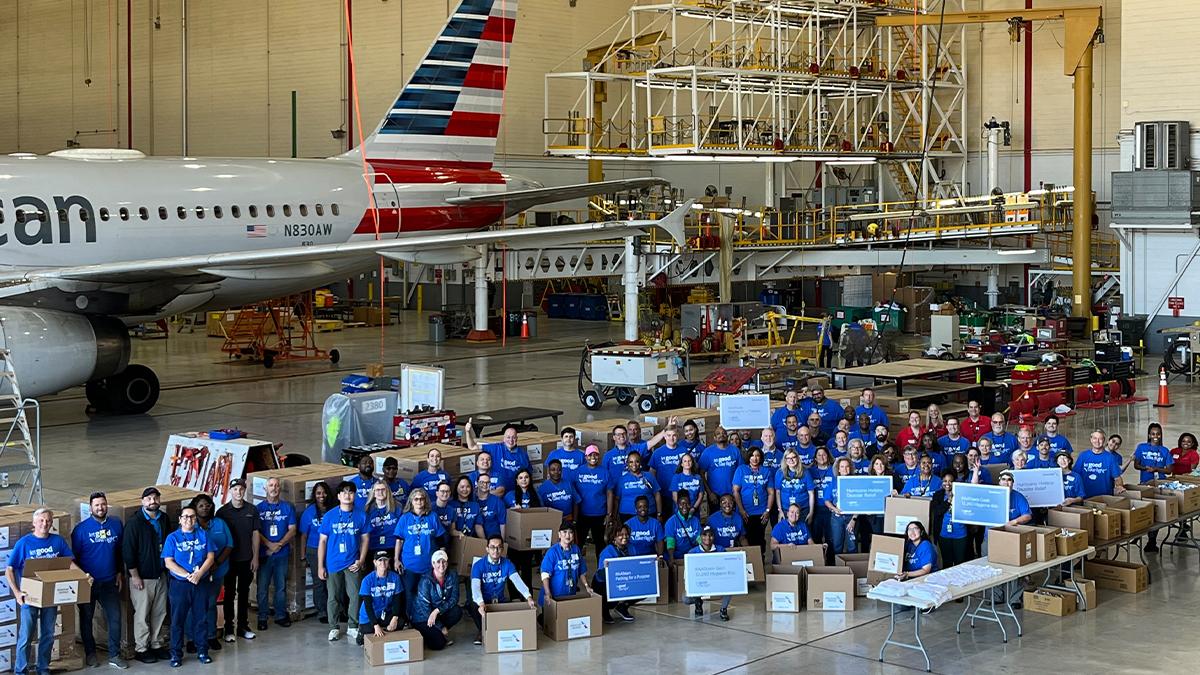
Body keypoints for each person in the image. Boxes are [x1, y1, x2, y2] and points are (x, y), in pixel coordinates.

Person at [10, 508, 85, 675]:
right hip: (29, 597)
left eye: (48, 520)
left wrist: (83, 576)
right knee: (26, 636)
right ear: (34, 523)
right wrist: (16, 592)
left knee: (48, 635)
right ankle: (20, 671)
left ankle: (43, 668)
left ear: (52, 523)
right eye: (42, 520)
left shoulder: (57, 541)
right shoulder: (24, 543)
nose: (45, 523)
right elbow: (9, 569)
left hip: (50, 596)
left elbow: (69, 563)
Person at [72, 492, 126, 669]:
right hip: (89, 583)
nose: (100, 508)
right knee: (86, 619)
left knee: (115, 618)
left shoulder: (116, 524)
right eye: (97, 505)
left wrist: (119, 572)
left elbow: (119, 551)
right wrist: (82, 578)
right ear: (90, 508)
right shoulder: (80, 530)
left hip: (110, 581)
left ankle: (115, 655)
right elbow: (74, 559)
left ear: (107, 505)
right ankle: (91, 654)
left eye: (103, 504)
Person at [122, 486, 174, 663]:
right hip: (142, 578)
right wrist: (134, 576)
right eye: (149, 499)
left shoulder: (164, 519)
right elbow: (128, 551)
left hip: (161, 574)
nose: (153, 501)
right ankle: (142, 648)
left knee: (160, 612)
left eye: (155, 498)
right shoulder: (134, 523)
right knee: (142, 614)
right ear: (142, 501)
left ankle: (157, 644)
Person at [162, 505, 215, 667]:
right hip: (180, 585)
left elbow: (210, 557)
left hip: (200, 583)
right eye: (185, 517)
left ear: (196, 519)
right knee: (178, 620)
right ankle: (176, 654)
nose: (188, 520)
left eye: (192, 517)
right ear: (180, 520)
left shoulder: (203, 535)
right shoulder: (172, 538)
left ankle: (202, 651)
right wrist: (187, 575)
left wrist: (199, 574)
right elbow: (168, 562)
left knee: (201, 619)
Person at [319, 480, 369, 643]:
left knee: (354, 595)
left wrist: (361, 560)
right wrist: (321, 565)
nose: (348, 495)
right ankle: (334, 627)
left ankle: (353, 626)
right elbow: (323, 542)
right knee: (333, 596)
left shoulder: (361, 515)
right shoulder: (330, 516)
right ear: (339, 496)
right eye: (344, 492)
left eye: (351, 492)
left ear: (355, 495)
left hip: (352, 563)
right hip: (333, 562)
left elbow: (365, 539)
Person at [466, 537, 537, 643]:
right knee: (472, 604)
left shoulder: (507, 564)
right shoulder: (478, 565)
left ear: (503, 549)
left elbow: (517, 581)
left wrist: (528, 597)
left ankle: (495, 629)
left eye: (499, 547)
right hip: (483, 602)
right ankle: (482, 631)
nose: (496, 550)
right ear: (487, 549)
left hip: (500, 600)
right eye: (492, 547)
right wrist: (481, 603)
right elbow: (475, 588)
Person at [216, 478, 260, 643]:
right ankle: (229, 628)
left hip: (246, 559)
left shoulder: (252, 510)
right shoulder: (222, 512)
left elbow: (255, 534)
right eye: (235, 489)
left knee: (244, 593)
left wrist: (255, 557)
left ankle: (243, 626)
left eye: (241, 489)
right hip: (229, 561)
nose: (238, 492)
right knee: (229, 594)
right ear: (230, 491)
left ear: (244, 491)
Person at [393, 488, 444, 619]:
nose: (419, 501)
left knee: (427, 594)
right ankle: (410, 620)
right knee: (409, 593)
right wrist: (396, 559)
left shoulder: (432, 517)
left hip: (428, 566)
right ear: (411, 501)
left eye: (422, 498)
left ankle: (428, 621)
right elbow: (399, 540)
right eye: (416, 499)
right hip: (409, 565)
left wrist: (441, 560)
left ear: (425, 500)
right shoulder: (405, 518)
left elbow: (441, 539)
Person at [255, 476, 297, 631]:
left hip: (282, 553)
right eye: (271, 485)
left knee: (281, 587)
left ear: (280, 489)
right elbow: (256, 531)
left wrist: (279, 544)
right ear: (265, 489)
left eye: (276, 485)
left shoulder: (287, 507)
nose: (274, 488)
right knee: (262, 587)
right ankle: (262, 617)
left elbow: (292, 529)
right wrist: (269, 544)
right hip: (264, 553)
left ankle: (280, 615)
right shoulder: (258, 509)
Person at [193, 493, 232, 654]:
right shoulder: (191, 525)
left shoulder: (220, 523)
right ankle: (192, 638)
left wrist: (217, 563)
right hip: (196, 575)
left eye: (208, 505)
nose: (205, 508)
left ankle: (211, 636)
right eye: (201, 505)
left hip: (217, 571)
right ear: (195, 508)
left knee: (210, 604)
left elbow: (229, 545)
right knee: (194, 606)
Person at [299, 481, 334, 624]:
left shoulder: (334, 510)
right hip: (314, 550)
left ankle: (337, 610)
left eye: (324, 492)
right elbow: (303, 535)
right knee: (319, 582)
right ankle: (322, 611)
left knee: (334, 582)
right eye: (318, 493)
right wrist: (303, 555)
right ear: (314, 495)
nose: (322, 495)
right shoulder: (309, 512)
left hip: (332, 550)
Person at [412, 550, 461, 650]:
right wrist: (441, 626)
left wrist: (437, 610)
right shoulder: (425, 581)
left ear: (447, 563)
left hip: (437, 613)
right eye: (438, 562)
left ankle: (436, 633)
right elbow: (425, 610)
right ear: (433, 564)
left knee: (457, 611)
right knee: (438, 645)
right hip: (423, 618)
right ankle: (431, 634)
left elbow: (454, 598)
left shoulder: (452, 575)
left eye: (444, 561)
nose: (441, 565)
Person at [683, 526, 732, 621]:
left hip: (717, 582)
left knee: (731, 586)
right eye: (704, 535)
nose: (707, 538)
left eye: (711, 535)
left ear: (714, 537)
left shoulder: (720, 550)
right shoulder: (692, 552)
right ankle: (698, 601)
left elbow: (727, 568)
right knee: (686, 599)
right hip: (700, 585)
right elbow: (688, 574)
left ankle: (723, 609)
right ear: (700, 536)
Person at [356, 551, 404, 647]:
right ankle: (362, 631)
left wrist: (395, 618)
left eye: (385, 560)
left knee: (400, 623)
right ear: (375, 562)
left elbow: (397, 600)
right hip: (369, 615)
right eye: (380, 560)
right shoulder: (367, 580)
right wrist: (375, 625)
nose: (383, 563)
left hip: (385, 612)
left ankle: (385, 628)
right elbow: (368, 606)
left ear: (389, 561)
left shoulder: (395, 578)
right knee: (369, 632)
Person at [539, 524, 591, 610]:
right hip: (553, 596)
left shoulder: (576, 549)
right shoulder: (552, 552)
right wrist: (548, 593)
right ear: (559, 534)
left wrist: (587, 586)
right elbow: (545, 574)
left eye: (571, 532)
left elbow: (582, 571)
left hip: (569, 595)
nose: (567, 535)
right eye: (564, 532)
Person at [732, 447, 773, 552]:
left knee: (759, 539)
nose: (755, 458)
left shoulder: (766, 471)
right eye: (752, 456)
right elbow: (736, 491)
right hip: (746, 512)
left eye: (757, 456)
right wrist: (741, 510)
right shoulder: (741, 469)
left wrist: (768, 511)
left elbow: (771, 493)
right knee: (746, 538)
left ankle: (760, 563)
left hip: (761, 512)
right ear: (748, 457)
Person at [593, 526, 638, 623]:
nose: (625, 537)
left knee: (644, 586)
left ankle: (622, 607)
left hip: (624, 578)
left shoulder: (631, 547)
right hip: (604, 582)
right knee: (605, 586)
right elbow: (601, 575)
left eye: (626, 534)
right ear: (614, 537)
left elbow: (635, 565)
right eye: (621, 535)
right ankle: (605, 611)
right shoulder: (607, 551)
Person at [573, 445, 611, 557]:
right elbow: (574, 493)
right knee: (578, 544)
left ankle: (601, 571)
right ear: (586, 457)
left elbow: (609, 494)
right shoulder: (578, 471)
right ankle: (577, 571)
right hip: (582, 514)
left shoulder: (605, 472)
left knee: (600, 544)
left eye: (595, 455)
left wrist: (609, 514)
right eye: (590, 455)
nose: (593, 457)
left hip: (599, 514)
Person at [465, 421, 532, 483]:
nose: (511, 440)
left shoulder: (522, 454)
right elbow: (472, 447)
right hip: (496, 489)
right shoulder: (495, 448)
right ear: (503, 438)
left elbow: (528, 474)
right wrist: (467, 432)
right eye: (508, 437)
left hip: (514, 492)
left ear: (517, 439)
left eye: (513, 437)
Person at [930, 471, 968, 570]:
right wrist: (948, 501)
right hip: (943, 533)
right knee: (947, 562)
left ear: (955, 481)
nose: (947, 484)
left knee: (960, 562)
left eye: (950, 481)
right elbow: (937, 511)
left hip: (960, 533)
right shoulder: (938, 495)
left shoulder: (962, 494)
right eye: (945, 481)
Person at [1074, 429, 1127, 498]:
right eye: (1095, 438)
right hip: (1085, 497)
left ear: (1104, 440)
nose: (1097, 441)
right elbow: (1075, 475)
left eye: (1100, 439)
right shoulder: (1083, 456)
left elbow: (1117, 478)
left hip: (1104, 498)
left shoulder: (1110, 458)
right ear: (1091, 440)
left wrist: (1119, 486)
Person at [611, 450, 661, 520]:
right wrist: (615, 517)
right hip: (626, 515)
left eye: (636, 461)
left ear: (640, 463)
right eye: (631, 462)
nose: (634, 464)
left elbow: (657, 494)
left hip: (648, 514)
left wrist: (659, 513)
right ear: (627, 464)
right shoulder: (622, 479)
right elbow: (617, 499)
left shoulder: (649, 476)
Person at [825, 457, 858, 560]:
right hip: (836, 518)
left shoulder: (856, 482)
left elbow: (861, 502)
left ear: (851, 468)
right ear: (838, 469)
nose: (845, 469)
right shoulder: (833, 483)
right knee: (837, 545)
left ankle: (853, 568)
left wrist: (854, 519)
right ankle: (838, 569)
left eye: (847, 467)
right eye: (842, 467)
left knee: (852, 545)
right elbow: (827, 500)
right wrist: (834, 509)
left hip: (851, 518)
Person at [700, 427, 741, 508]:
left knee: (733, 519)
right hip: (715, 495)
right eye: (718, 433)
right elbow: (701, 473)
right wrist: (710, 493)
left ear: (727, 436)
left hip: (733, 494)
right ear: (714, 438)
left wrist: (738, 492)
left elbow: (741, 471)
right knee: (715, 519)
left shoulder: (735, 450)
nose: (721, 435)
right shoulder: (708, 452)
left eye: (723, 433)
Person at [774, 449, 814, 524]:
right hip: (786, 509)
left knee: (803, 532)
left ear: (797, 458)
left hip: (803, 509)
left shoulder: (805, 472)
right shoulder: (779, 473)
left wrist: (811, 512)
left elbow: (811, 493)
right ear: (785, 460)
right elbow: (778, 493)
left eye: (793, 457)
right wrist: (780, 511)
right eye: (788, 458)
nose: (791, 460)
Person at [365, 481, 400, 565]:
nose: (380, 492)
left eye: (383, 489)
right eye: (377, 490)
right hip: (373, 546)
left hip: (392, 546)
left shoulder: (397, 507)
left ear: (387, 491)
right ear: (373, 493)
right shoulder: (367, 509)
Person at [807, 447, 836, 545]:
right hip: (816, 508)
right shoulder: (810, 471)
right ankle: (819, 558)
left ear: (828, 456)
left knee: (830, 536)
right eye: (819, 455)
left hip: (830, 507)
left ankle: (831, 559)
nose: (822, 457)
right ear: (815, 458)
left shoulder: (834, 470)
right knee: (816, 535)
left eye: (824, 454)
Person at [664, 491, 701, 563]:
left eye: (687, 504)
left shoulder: (695, 520)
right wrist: (671, 559)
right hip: (677, 555)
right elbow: (670, 543)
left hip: (691, 554)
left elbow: (699, 538)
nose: (685, 506)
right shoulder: (671, 522)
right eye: (682, 504)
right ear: (677, 505)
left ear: (690, 505)